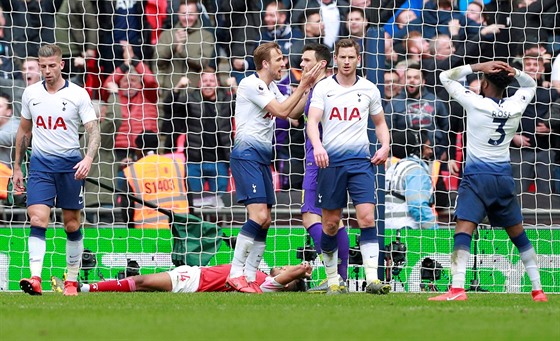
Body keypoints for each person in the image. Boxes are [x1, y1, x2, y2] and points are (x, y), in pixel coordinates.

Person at [430, 61, 547, 302]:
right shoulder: (517, 104)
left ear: (483, 83)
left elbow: (445, 77)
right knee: (518, 234)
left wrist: (480, 65)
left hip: (476, 177)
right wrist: (517, 73)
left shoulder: (475, 103)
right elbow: (531, 83)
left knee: (463, 228)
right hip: (503, 177)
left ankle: (457, 289)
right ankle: (538, 290)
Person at [226, 42, 321, 294]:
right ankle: (235, 274)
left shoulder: (272, 88)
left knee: (265, 220)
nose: (284, 63)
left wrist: (310, 89)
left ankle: (249, 276)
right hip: (246, 156)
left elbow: (293, 115)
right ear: (265, 63)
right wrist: (302, 86)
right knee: (257, 216)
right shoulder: (251, 83)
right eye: (279, 59)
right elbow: (281, 111)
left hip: (262, 158)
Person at [14, 44, 101, 296]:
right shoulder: (30, 94)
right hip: (40, 166)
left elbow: (93, 130)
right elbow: (24, 131)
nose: (47, 71)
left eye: (52, 66)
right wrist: (18, 167)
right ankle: (36, 277)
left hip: (70, 167)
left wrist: (88, 158)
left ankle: (72, 281)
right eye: (43, 67)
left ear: (61, 65)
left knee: (72, 225)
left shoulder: (78, 94)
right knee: (37, 218)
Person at [306, 38, 391, 295]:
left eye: (350, 57)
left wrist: (385, 145)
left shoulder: (369, 89)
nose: (346, 62)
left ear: (358, 59)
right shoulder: (323, 88)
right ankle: (334, 280)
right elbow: (312, 122)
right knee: (330, 224)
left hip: (360, 163)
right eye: (342, 57)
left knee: (366, 217)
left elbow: (379, 123)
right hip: (330, 162)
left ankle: (372, 280)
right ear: (335, 59)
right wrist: (318, 146)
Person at [300, 43, 350, 286]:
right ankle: (341, 276)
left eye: (306, 60)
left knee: (311, 217)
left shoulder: (323, 89)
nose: (301, 65)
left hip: (318, 159)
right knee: (334, 218)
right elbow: (291, 114)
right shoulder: (325, 87)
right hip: (334, 158)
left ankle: (334, 277)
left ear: (320, 64)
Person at [162, 70, 233, 207]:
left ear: (217, 84)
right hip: (194, 161)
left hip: (220, 162)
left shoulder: (226, 100)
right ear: (199, 84)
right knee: (194, 203)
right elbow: (169, 107)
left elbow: (244, 104)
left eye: (211, 81)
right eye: (205, 81)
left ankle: (219, 228)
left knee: (221, 204)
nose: (208, 84)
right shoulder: (190, 99)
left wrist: (234, 87)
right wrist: (178, 87)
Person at [52, 262, 312, 294]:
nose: (284, 267)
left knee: (141, 282)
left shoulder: (268, 286)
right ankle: (82, 287)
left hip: (193, 282)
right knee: (141, 283)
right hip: (195, 274)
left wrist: (305, 267)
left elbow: (294, 273)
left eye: (288, 270)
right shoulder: (262, 276)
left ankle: (83, 288)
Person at [121, 131, 189, 229]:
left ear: (139, 149)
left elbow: (127, 208)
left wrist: (132, 228)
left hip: (146, 232)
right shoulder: (177, 165)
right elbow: (189, 198)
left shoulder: (132, 171)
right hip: (179, 229)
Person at [385, 130, 439, 230]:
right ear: (417, 148)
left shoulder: (391, 169)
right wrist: (434, 231)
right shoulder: (415, 170)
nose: (431, 151)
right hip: (408, 231)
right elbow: (417, 205)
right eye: (427, 147)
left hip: (386, 229)